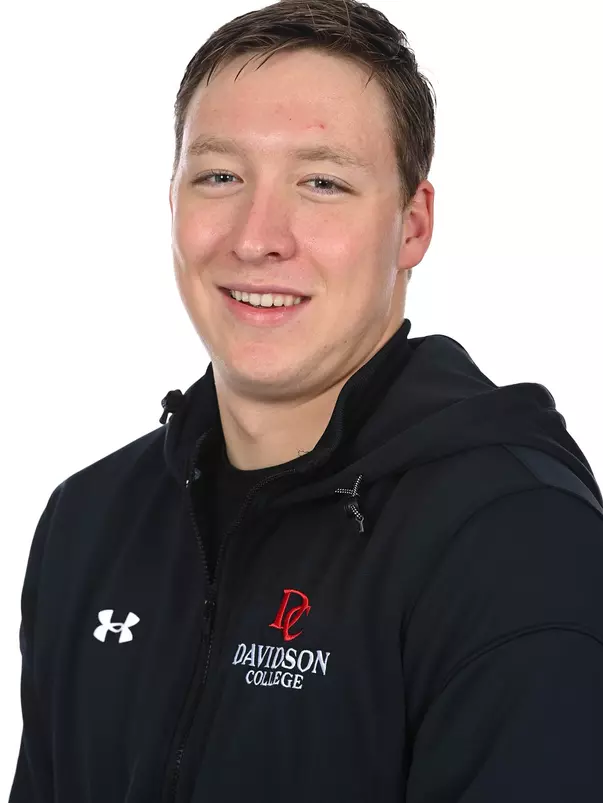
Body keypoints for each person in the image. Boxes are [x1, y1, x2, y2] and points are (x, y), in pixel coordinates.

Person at [9, 0, 603, 800]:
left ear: (411, 227)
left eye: (321, 183)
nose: (257, 236)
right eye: (220, 176)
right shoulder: (90, 521)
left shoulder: (516, 541)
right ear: (173, 200)